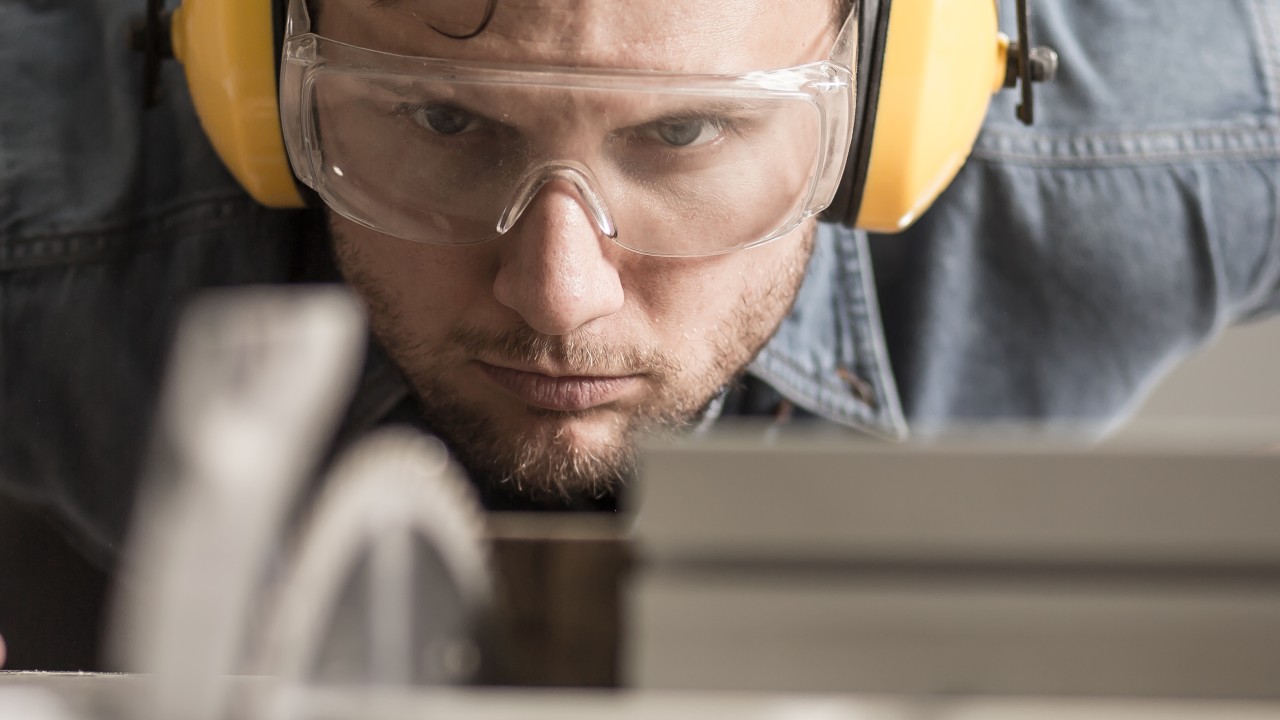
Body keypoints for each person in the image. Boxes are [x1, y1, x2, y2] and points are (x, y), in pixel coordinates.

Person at [0, 0, 1277, 668]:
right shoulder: (38, 194)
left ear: (896, 110)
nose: (557, 297)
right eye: (446, 125)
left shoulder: (1163, 151)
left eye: (681, 133)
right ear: (249, 73)